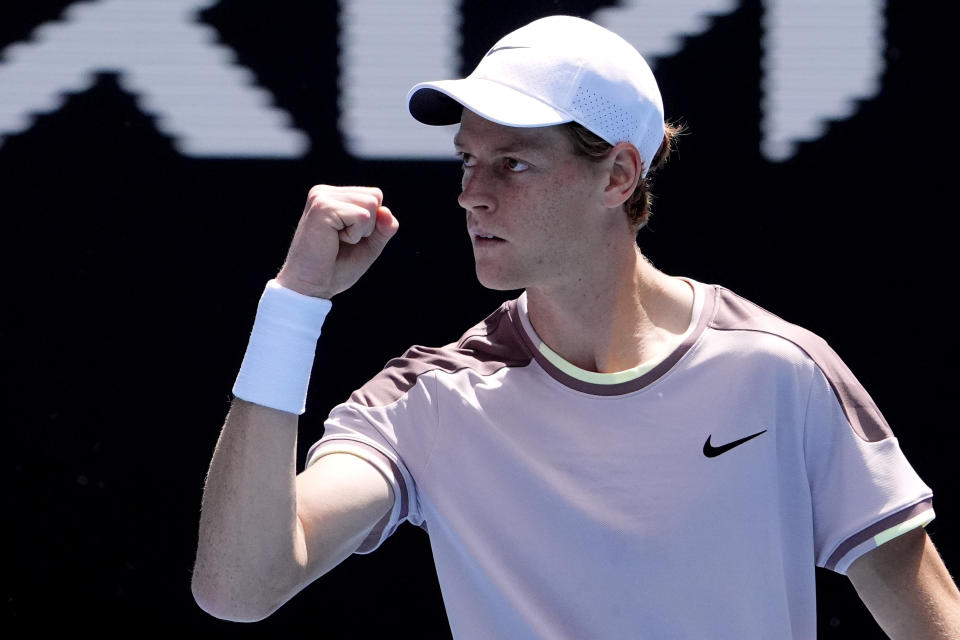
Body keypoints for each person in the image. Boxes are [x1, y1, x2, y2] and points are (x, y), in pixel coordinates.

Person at [191, 15, 960, 638]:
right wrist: (293, 305)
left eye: (512, 164)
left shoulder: (783, 371)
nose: (471, 196)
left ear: (619, 175)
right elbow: (240, 585)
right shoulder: (426, 401)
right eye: (466, 161)